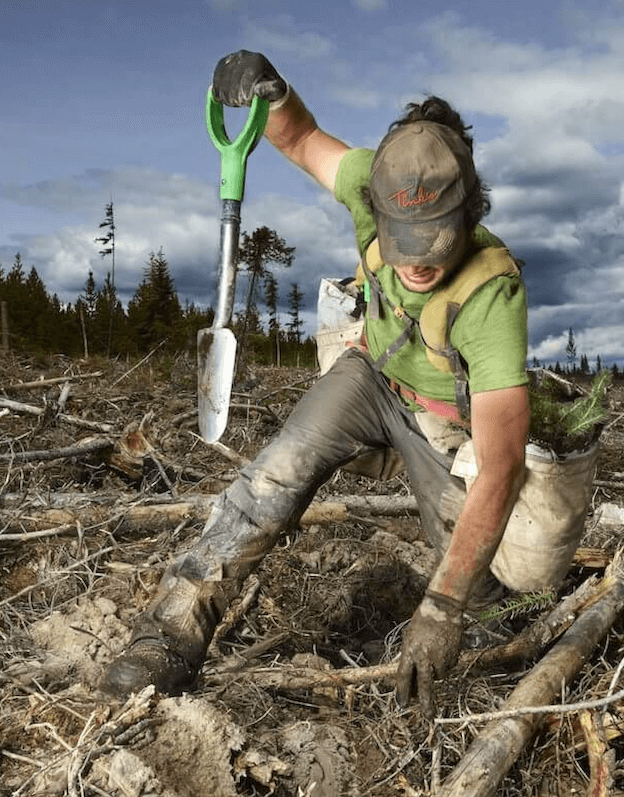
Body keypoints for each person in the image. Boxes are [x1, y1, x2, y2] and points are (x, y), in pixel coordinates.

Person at [101, 51, 530, 719]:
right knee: (271, 478)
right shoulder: (367, 179)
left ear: (470, 215)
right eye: (403, 240)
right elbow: (299, 137)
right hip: (372, 377)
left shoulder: (492, 295)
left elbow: (501, 469)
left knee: (478, 600)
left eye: (435, 242)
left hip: (444, 420)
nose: (416, 262)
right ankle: (168, 637)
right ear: (378, 206)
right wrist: (268, 88)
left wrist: (442, 607)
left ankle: (490, 648)